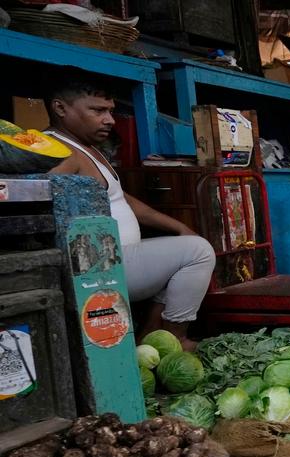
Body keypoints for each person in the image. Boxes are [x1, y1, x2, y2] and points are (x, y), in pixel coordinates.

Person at [46, 77, 215, 351]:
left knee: (185, 249)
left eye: (110, 111)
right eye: (97, 110)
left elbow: (124, 200)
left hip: (122, 257)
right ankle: (176, 341)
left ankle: (151, 336)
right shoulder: (59, 151)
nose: (110, 120)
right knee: (198, 252)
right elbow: (45, 202)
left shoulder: (86, 148)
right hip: (98, 267)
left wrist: (180, 228)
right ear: (60, 108)